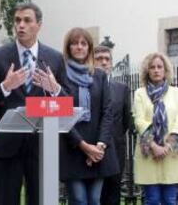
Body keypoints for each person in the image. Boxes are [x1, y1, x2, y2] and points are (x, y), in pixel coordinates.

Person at [0, 2, 69, 205]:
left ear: (39, 25)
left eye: (27, 20)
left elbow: (67, 105)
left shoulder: (54, 58)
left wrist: (55, 89)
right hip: (6, 145)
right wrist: (5, 86)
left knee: (41, 200)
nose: (21, 25)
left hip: (42, 144)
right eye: (17, 20)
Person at [59, 28, 119, 205]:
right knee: (79, 199)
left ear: (89, 48)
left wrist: (99, 146)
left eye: (83, 43)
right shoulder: (61, 76)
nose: (79, 47)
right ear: (68, 47)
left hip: (99, 148)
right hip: (73, 146)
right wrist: (84, 146)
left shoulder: (99, 75)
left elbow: (107, 112)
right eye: (74, 43)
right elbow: (61, 115)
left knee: (94, 199)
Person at [133, 53, 178, 205]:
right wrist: (154, 146)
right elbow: (139, 121)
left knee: (170, 200)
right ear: (147, 71)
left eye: (160, 67)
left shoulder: (176, 93)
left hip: (171, 154)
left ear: (165, 70)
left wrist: (167, 146)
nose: (156, 70)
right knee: (152, 200)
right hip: (148, 154)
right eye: (152, 67)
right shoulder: (140, 93)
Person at [94, 45, 131, 205]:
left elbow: (126, 121)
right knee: (95, 195)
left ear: (111, 63)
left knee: (113, 194)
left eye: (107, 59)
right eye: (99, 59)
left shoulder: (122, 89)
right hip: (92, 149)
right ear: (92, 61)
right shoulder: (87, 86)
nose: (103, 62)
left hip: (116, 148)